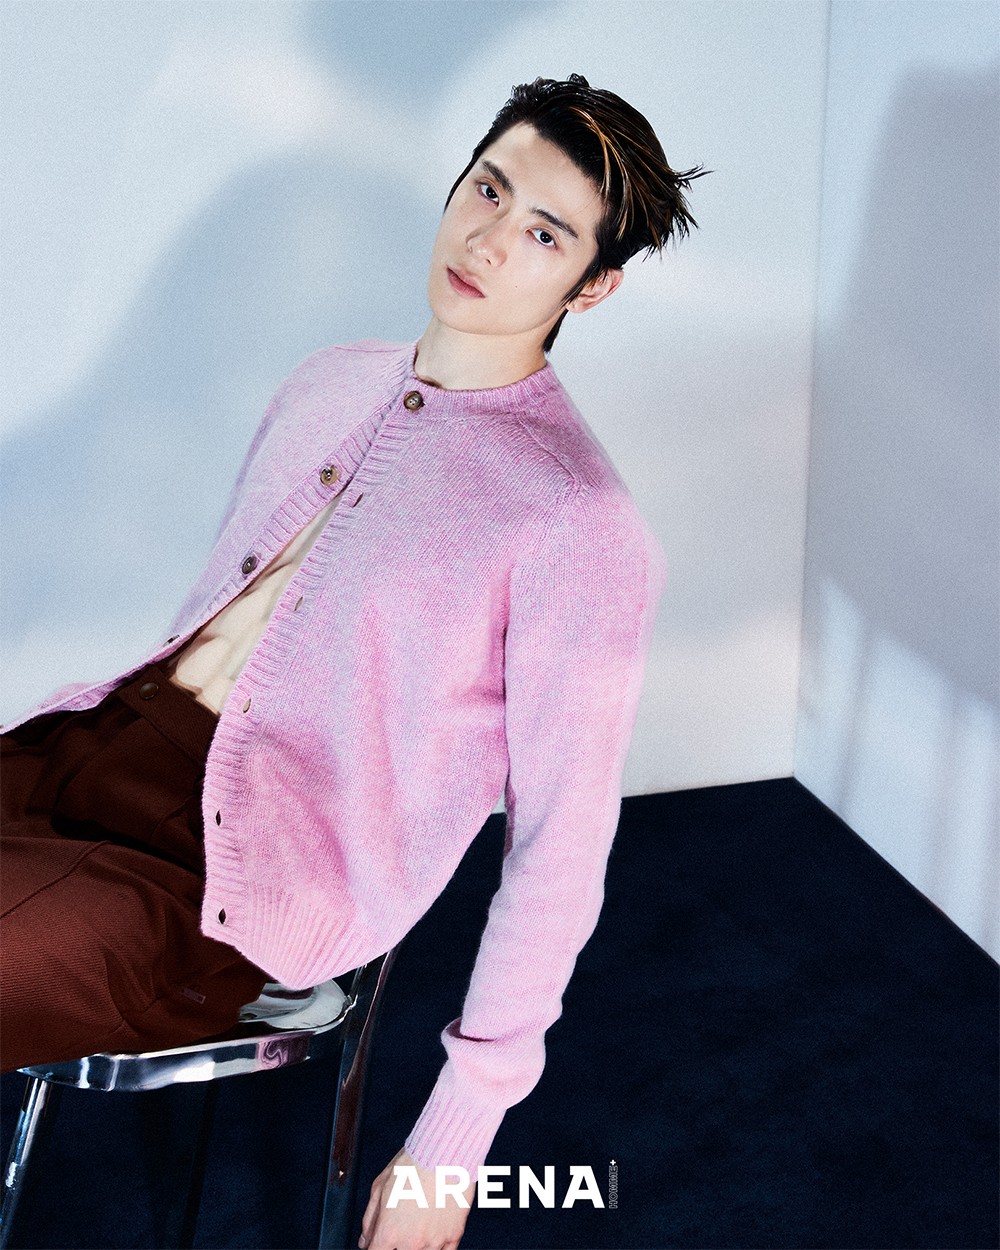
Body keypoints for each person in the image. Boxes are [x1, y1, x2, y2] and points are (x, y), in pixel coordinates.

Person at [1, 75, 702, 1250]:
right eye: (488, 189)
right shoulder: (328, 377)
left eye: (544, 233)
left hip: (225, 881)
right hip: (91, 744)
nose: (489, 238)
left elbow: (560, 843)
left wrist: (453, 1138)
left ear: (592, 286)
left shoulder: (576, 522)